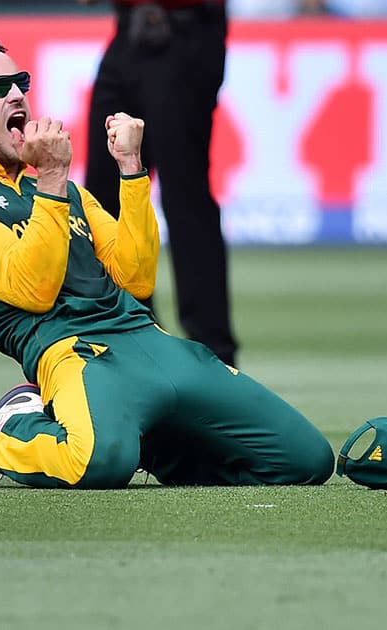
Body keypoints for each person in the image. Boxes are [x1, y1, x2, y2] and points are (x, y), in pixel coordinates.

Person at [0, 38, 333, 489]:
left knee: (305, 461)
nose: (17, 95)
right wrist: (53, 178)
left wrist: (131, 169)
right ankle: (1, 437)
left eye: (21, 82)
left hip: (152, 341)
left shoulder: (70, 195)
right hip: (75, 353)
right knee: (96, 464)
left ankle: (151, 442)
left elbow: (135, 279)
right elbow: (31, 290)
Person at [78, 0, 239, 366]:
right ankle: (132, 334)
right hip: (130, 30)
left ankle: (213, 353)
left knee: (185, 196)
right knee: (104, 196)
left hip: (185, 30)